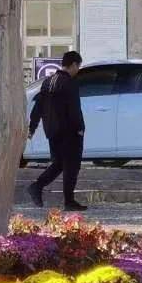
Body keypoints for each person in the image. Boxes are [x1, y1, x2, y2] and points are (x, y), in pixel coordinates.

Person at [28, 51, 87, 211]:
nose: (78, 70)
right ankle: (69, 201)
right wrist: (80, 128)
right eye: (78, 66)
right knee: (72, 166)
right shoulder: (69, 82)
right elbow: (74, 109)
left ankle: (37, 186)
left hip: (52, 131)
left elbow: (38, 106)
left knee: (60, 164)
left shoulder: (47, 82)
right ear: (74, 64)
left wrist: (32, 126)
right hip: (69, 131)